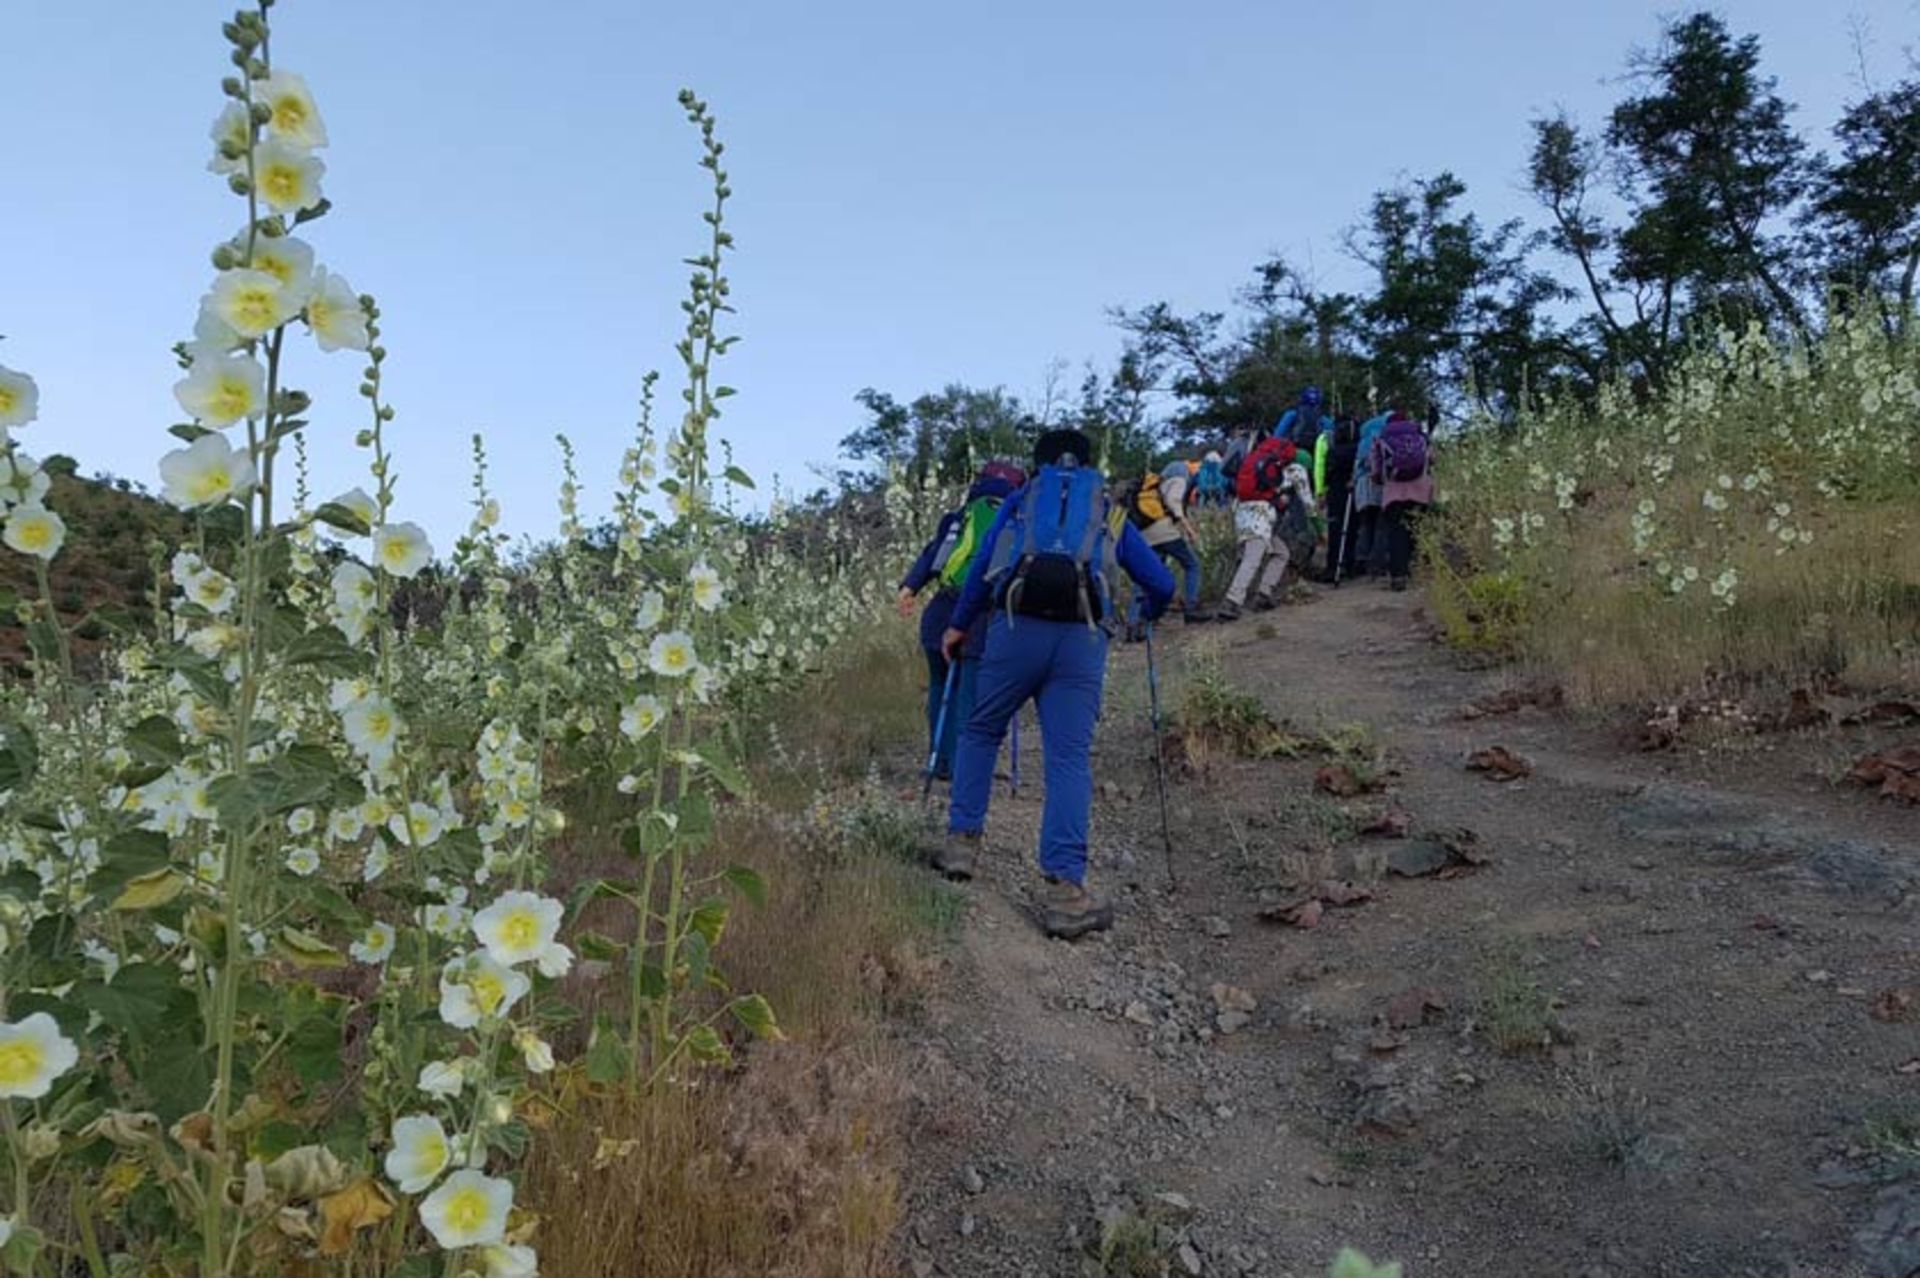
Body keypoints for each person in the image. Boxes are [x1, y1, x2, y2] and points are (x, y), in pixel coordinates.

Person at [926, 429, 1175, 940]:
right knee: (1068, 758)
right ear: (1087, 463)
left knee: (981, 731)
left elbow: (981, 568)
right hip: (1082, 641)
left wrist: (958, 624)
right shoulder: (1106, 506)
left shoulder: (1021, 499)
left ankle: (961, 845)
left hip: (1014, 631)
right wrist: (1145, 612)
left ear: (1037, 464)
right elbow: (1162, 582)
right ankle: (1064, 893)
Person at [897, 461, 1026, 778]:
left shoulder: (956, 519)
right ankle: (963, 768)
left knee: (941, 684)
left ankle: (938, 760)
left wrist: (909, 587)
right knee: (971, 691)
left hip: (940, 610)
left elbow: (931, 556)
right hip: (980, 614)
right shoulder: (1015, 521)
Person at [1215, 433, 1298, 621]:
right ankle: (1232, 602)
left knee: (1280, 552)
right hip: (1260, 517)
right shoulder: (1283, 468)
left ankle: (1264, 594)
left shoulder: (1253, 458)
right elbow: (1282, 494)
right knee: (1252, 559)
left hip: (1243, 512)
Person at [1132, 457, 1208, 625]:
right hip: (1164, 531)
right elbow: (1173, 501)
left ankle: (1138, 619)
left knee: (1149, 573)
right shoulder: (1180, 473)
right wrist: (1189, 529)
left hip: (1146, 532)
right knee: (1192, 565)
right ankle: (1191, 608)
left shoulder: (1160, 479)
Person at [1369, 409, 1435, 591]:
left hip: (1393, 495)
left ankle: (1398, 576)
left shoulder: (1381, 439)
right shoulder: (1421, 437)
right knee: (1415, 531)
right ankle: (1414, 570)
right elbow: (1432, 459)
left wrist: (1378, 480)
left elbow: (1375, 468)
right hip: (1420, 493)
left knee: (1396, 533)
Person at [1316, 413, 1361, 582]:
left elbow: (1326, 472)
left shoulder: (1333, 450)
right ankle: (1350, 565)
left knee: (1336, 529)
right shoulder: (1357, 449)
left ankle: (1333, 567)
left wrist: (1322, 490)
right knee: (1352, 528)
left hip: (1335, 491)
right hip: (1353, 490)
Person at [1348, 411, 1390, 578]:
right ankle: (1377, 562)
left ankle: (1361, 558)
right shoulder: (1384, 437)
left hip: (1362, 486)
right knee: (1381, 523)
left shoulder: (1363, 441)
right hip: (1380, 483)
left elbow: (1357, 465)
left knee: (1365, 523)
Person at [1274, 386, 1330, 463]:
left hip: (1294, 453)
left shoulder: (1292, 414)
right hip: (1315, 455)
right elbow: (1330, 439)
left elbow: (1277, 435)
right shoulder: (1324, 419)